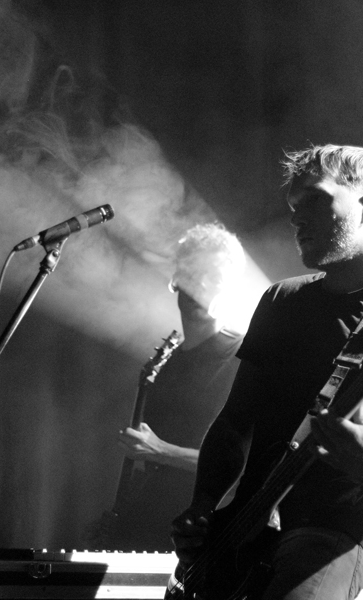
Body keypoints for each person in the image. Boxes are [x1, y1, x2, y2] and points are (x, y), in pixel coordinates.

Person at [170, 144, 363, 600]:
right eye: (294, 205)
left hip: (330, 532)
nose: (296, 217)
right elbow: (234, 421)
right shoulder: (281, 300)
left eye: (315, 199)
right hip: (240, 530)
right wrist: (203, 505)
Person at [112, 222, 246, 552]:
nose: (200, 286)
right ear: (175, 281)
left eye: (213, 277)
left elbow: (242, 465)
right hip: (156, 527)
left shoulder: (242, 359)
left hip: (209, 533)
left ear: (231, 288)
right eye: (193, 274)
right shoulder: (167, 362)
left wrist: (161, 450)